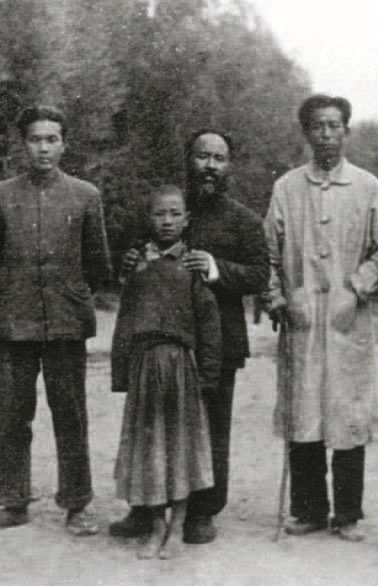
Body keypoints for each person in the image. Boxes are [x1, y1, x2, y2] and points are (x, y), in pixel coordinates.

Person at [110, 130, 269, 544]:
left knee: (210, 430)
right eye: (202, 157)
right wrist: (130, 258)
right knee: (152, 426)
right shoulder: (167, 206)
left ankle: (202, 511)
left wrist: (217, 268)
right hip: (158, 343)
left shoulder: (243, 220)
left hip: (218, 344)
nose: (210, 166)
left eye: (219, 158)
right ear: (189, 160)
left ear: (229, 165)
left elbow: (259, 274)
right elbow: (133, 251)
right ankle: (145, 509)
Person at [0, 105, 112, 536]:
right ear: (23, 144)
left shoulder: (85, 196)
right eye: (36, 139)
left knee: (70, 414)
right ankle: (13, 501)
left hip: (66, 322)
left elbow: (98, 264)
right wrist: (11, 297)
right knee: (14, 414)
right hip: (13, 321)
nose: (44, 147)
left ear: (64, 144)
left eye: (52, 139)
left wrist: (68, 297)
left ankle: (77, 504)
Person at [263, 94, 378, 541]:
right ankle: (309, 509)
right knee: (305, 412)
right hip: (302, 320)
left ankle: (349, 513)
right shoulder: (286, 189)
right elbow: (270, 255)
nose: (327, 135)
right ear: (306, 133)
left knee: (348, 412)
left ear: (347, 131)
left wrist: (357, 287)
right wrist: (279, 297)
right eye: (318, 126)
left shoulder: (368, 188)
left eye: (335, 126)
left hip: (347, 320)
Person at [111, 185, 222, 559]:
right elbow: (126, 319)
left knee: (180, 448)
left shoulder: (192, 267)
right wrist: (121, 371)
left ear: (186, 220)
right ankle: (155, 524)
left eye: (175, 214)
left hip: (181, 371)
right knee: (150, 449)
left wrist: (207, 375)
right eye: (160, 214)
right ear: (149, 218)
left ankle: (177, 526)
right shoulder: (137, 265)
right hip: (145, 369)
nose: (167, 221)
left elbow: (209, 324)